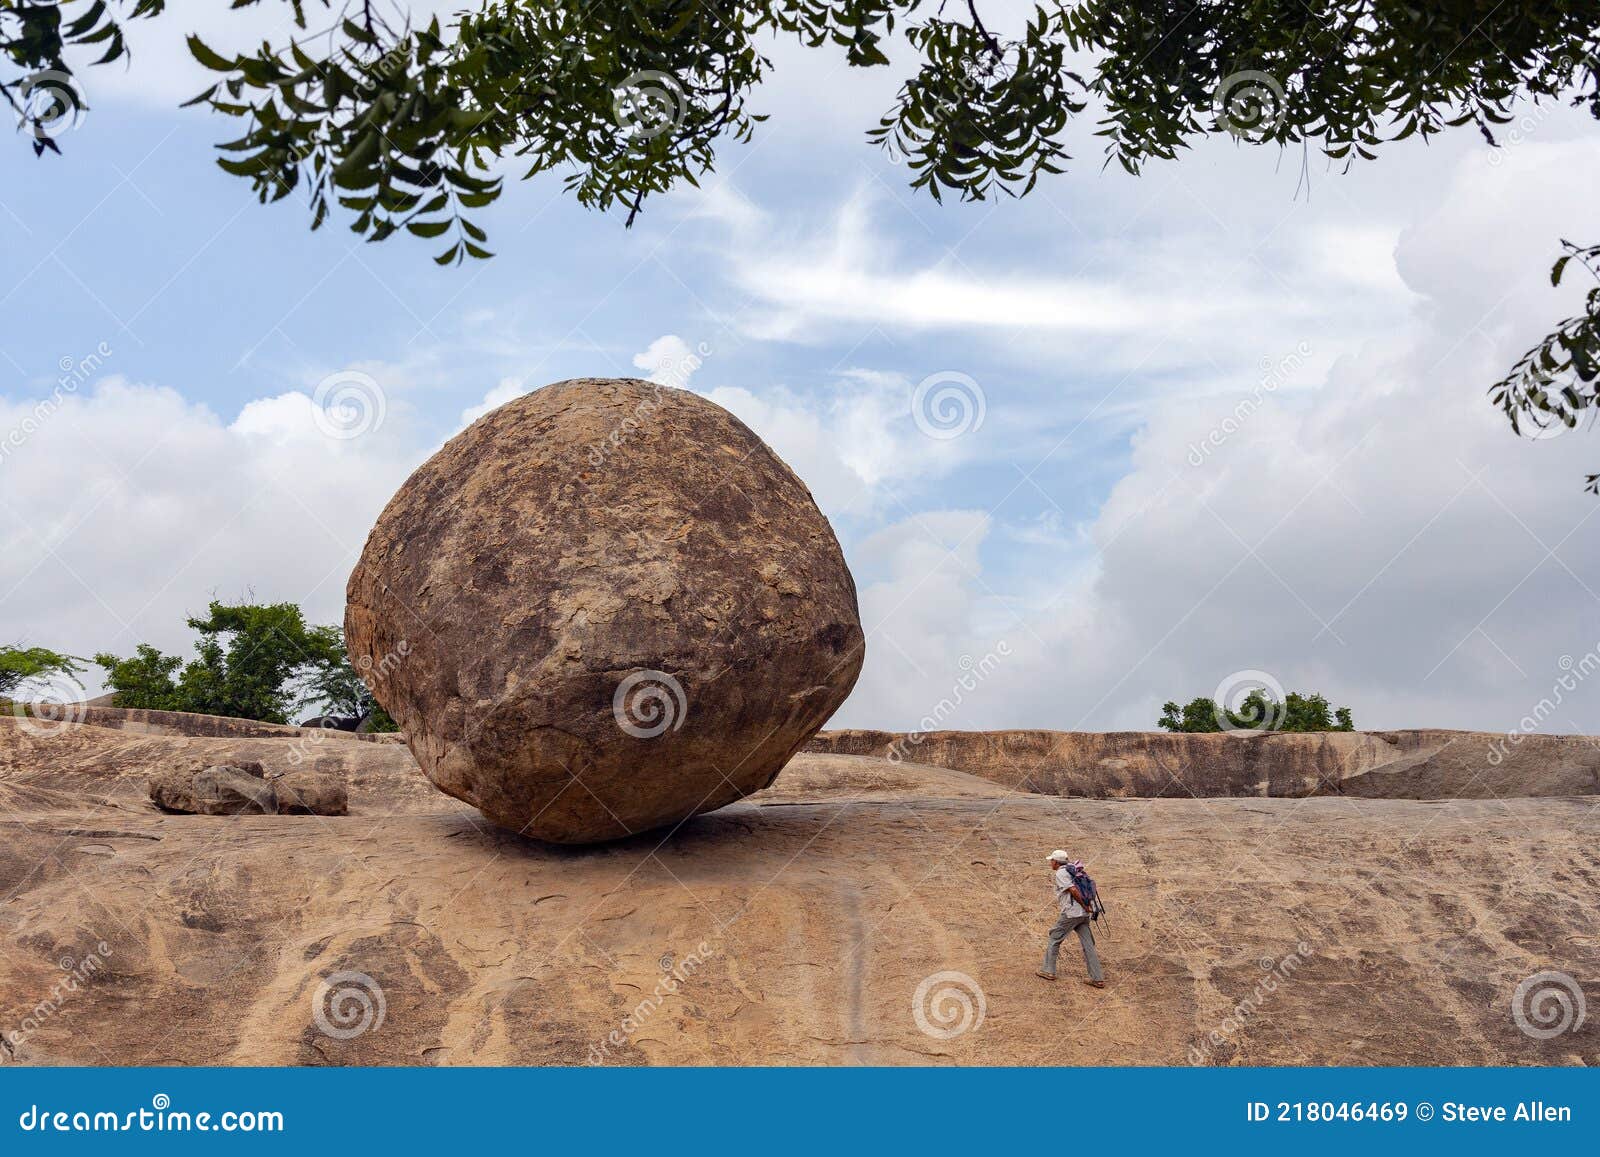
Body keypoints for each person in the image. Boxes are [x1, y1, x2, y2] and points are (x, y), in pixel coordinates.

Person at [1037, 849, 1105, 987]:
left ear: (1056, 862)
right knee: (1088, 944)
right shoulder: (1074, 869)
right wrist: (1087, 908)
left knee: (1054, 936)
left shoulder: (1061, 873)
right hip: (1083, 915)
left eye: (1052, 860)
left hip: (1072, 913)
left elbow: (1073, 890)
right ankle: (1097, 978)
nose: (1051, 863)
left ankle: (1048, 971)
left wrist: (1084, 905)